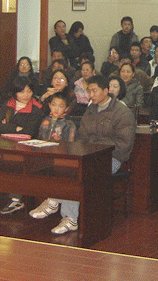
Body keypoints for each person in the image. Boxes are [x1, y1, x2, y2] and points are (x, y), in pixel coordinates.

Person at [29, 75, 135, 234]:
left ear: (106, 91)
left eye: (94, 91)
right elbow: (82, 137)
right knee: (68, 169)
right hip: (89, 154)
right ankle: (67, 216)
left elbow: (124, 145)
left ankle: (58, 206)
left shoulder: (122, 112)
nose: (91, 95)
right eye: (89, 91)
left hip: (112, 157)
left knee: (81, 174)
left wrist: (97, 147)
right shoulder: (91, 110)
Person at [0, 92, 77, 216]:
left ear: (66, 108)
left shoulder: (69, 124)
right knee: (21, 164)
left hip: (59, 158)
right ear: (49, 105)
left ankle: (51, 203)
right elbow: (39, 138)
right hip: (43, 155)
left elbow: (69, 145)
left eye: (61, 106)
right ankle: (15, 200)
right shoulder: (44, 120)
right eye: (54, 105)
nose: (56, 109)